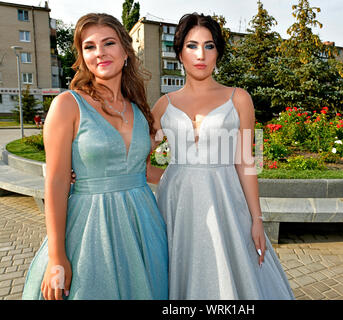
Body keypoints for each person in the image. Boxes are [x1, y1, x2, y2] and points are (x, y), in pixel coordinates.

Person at [22, 13, 168, 300]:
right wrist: (56, 257)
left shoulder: (140, 110)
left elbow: (147, 171)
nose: (99, 52)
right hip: (90, 230)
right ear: (82, 56)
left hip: (144, 228)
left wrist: (204, 178)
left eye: (108, 43)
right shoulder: (68, 105)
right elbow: (55, 184)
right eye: (89, 46)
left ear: (126, 51)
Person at [149, 13, 295, 299]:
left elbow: (246, 161)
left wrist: (256, 219)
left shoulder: (239, 98)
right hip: (177, 205)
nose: (200, 54)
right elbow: (136, 159)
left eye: (209, 45)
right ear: (180, 52)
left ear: (218, 53)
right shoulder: (163, 105)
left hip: (226, 202)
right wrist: (172, 175)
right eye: (192, 46)